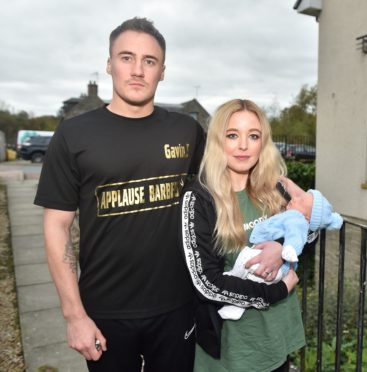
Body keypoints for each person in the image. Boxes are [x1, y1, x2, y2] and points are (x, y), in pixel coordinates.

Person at [34, 17, 205, 371]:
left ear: (162, 71)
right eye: (126, 58)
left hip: (177, 306)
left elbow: (228, 182)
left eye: (150, 61)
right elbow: (57, 227)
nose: (138, 70)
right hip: (105, 310)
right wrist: (74, 315)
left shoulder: (187, 130)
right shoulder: (73, 135)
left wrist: (292, 197)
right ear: (109, 64)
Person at [180, 98, 332, 372]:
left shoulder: (276, 187)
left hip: (276, 336)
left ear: (263, 143)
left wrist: (281, 247)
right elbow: (205, 283)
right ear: (217, 141)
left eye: (253, 136)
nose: (243, 145)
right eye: (232, 135)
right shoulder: (199, 198)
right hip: (232, 348)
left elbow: (308, 232)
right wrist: (275, 291)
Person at [218, 184, 343, 320]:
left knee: (247, 261)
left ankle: (236, 295)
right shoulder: (207, 196)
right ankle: (235, 295)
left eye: (300, 200)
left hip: (281, 314)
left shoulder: (280, 192)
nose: (295, 198)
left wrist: (281, 248)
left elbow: (305, 238)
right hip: (243, 322)